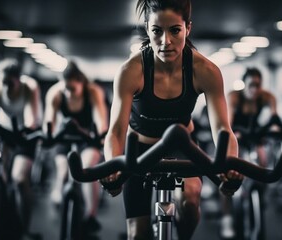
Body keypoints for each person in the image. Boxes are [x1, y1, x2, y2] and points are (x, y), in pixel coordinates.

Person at [101, 0, 243, 239]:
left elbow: (223, 129)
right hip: (140, 151)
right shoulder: (131, 71)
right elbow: (116, 131)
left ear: (188, 28)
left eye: (174, 30)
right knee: (138, 234)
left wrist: (230, 164)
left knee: (190, 202)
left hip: (182, 147)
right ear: (147, 29)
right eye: (157, 31)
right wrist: (112, 165)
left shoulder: (205, 71)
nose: (165, 41)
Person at [0, 57, 43, 237]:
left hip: (26, 135)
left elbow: (30, 119)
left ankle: (25, 229)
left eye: (10, 84)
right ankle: (1, 216)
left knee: (20, 180)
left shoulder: (30, 88)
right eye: (3, 83)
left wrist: (26, 130)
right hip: (4, 133)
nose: (6, 87)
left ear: (19, 79)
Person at [43, 61, 108, 234]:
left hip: (88, 138)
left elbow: (101, 120)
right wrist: (48, 135)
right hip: (64, 137)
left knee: (87, 168)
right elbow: (49, 121)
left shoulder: (93, 92)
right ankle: (58, 191)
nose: (69, 93)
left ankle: (91, 214)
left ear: (82, 83)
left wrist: (100, 135)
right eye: (66, 89)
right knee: (63, 170)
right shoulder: (55, 93)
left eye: (73, 89)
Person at [221, 67, 278, 238]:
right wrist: (232, 134)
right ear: (244, 84)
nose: (254, 88)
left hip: (254, 136)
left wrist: (274, 131)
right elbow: (227, 122)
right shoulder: (234, 97)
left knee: (263, 162)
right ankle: (227, 217)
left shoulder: (266, 97)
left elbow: (275, 119)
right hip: (236, 136)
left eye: (258, 85)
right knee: (227, 172)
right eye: (251, 84)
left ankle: (260, 196)